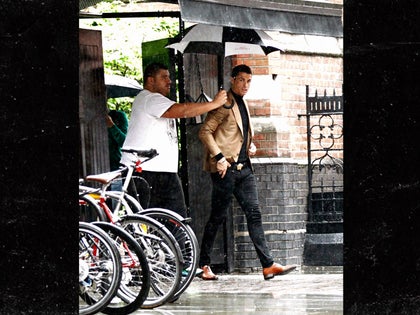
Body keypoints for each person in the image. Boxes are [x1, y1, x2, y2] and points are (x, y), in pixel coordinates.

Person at [198, 64, 297, 281]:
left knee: (254, 213)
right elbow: (205, 132)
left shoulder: (243, 103)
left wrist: (249, 146)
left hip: (245, 170)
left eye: (249, 81)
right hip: (227, 170)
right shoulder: (224, 103)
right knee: (218, 217)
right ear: (233, 79)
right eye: (242, 80)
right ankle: (203, 264)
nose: (245, 85)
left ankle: (268, 265)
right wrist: (220, 158)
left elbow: (237, 134)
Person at [120, 62, 227, 218]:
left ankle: (178, 243)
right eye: (164, 77)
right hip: (145, 170)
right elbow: (182, 110)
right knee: (146, 221)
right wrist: (214, 104)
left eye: (169, 77)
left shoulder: (159, 101)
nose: (169, 81)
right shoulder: (149, 98)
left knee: (176, 219)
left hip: (164, 171)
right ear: (150, 80)